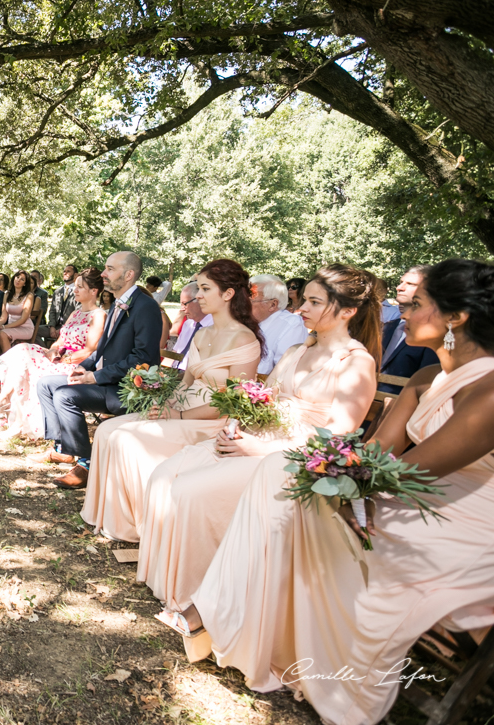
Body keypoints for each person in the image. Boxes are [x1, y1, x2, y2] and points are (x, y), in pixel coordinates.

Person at [189, 258, 494, 725]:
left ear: (456, 318)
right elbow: (371, 455)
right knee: (283, 475)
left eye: (417, 305)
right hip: (401, 491)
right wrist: (324, 469)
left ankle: (225, 617)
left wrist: (336, 481)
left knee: (285, 479)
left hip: (463, 518)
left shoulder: (489, 388)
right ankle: (238, 622)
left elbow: (404, 472)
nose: (403, 311)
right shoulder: (423, 378)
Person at [138, 264, 380, 620]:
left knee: (189, 491)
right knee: (163, 477)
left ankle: (200, 595)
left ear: (347, 311)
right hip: (255, 438)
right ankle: (167, 584)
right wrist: (236, 427)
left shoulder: (356, 364)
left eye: (314, 302)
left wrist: (261, 449)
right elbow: (259, 398)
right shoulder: (297, 350)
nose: (301, 309)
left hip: (292, 458)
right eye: (305, 300)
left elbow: (337, 440)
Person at [76, 258, 262, 527]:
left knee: (128, 439)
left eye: (205, 289)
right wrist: (162, 402)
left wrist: (178, 414)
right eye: (198, 288)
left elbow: (234, 403)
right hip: (181, 408)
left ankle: (144, 522)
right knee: (107, 431)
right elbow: (185, 382)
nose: (198, 296)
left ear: (228, 294)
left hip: (209, 420)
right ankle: (115, 517)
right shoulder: (202, 334)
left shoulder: (244, 339)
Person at [36, 251, 163, 489]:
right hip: (104, 379)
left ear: (129, 275)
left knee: (65, 395)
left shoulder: (145, 307)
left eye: (110, 269)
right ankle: (64, 448)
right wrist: (83, 368)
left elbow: (144, 358)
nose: (103, 273)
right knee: (45, 384)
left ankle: (86, 463)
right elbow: (101, 349)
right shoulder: (117, 303)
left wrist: (96, 376)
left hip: (124, 387)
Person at [0, 269, 107, 438]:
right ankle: (11, 412)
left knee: (30, 367)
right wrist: (54, 348)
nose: (75, 290)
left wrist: (66, 359)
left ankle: (11, 413)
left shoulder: (99, 315)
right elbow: (61, 339)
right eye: (75, 286)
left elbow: (91, 349)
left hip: (77, 365)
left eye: (80, 287)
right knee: (22, 350)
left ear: (94, 291)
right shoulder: (76, 313)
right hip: (59, 357)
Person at [381, 264, 440, 391]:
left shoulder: (433, 334)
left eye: (410, 284)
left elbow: (425, 386)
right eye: (401, 282)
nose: (399, 288)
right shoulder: (388, 326)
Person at [250, 273, 309, 375]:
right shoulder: (240, 323)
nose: (240, 304)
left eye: (249, 300)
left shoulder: (292, 325)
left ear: (272, 305)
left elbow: (284, 374)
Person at [0, 270, 38, 366]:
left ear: (25, 283)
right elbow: (4, 316)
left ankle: (10, 366)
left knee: (2, 334)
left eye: (22, 279)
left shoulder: (29, 295)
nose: (18, 280)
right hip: (10, 327)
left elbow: (23, 319)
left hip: (25, 328)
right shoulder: (7, 294)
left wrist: (4, 327)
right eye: (17, 277)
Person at [172, 282, 213, 370]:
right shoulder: (188, 324)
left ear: (199, 300)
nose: (182, 308)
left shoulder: (213, 326)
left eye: (185, 303)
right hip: (174, 372)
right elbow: (176, 352)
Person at [46, 264, 78, 342]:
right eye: (64, 271)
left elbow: (77, 314)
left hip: (70, 328)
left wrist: (62, 329)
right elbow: (52, 311)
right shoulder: (57, 292)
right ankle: (45, 351)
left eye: (68, 271)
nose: (65, 273)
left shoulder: (78, 291)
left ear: (75, 275)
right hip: (54, 327)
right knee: (35, 331)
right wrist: (52, 327)